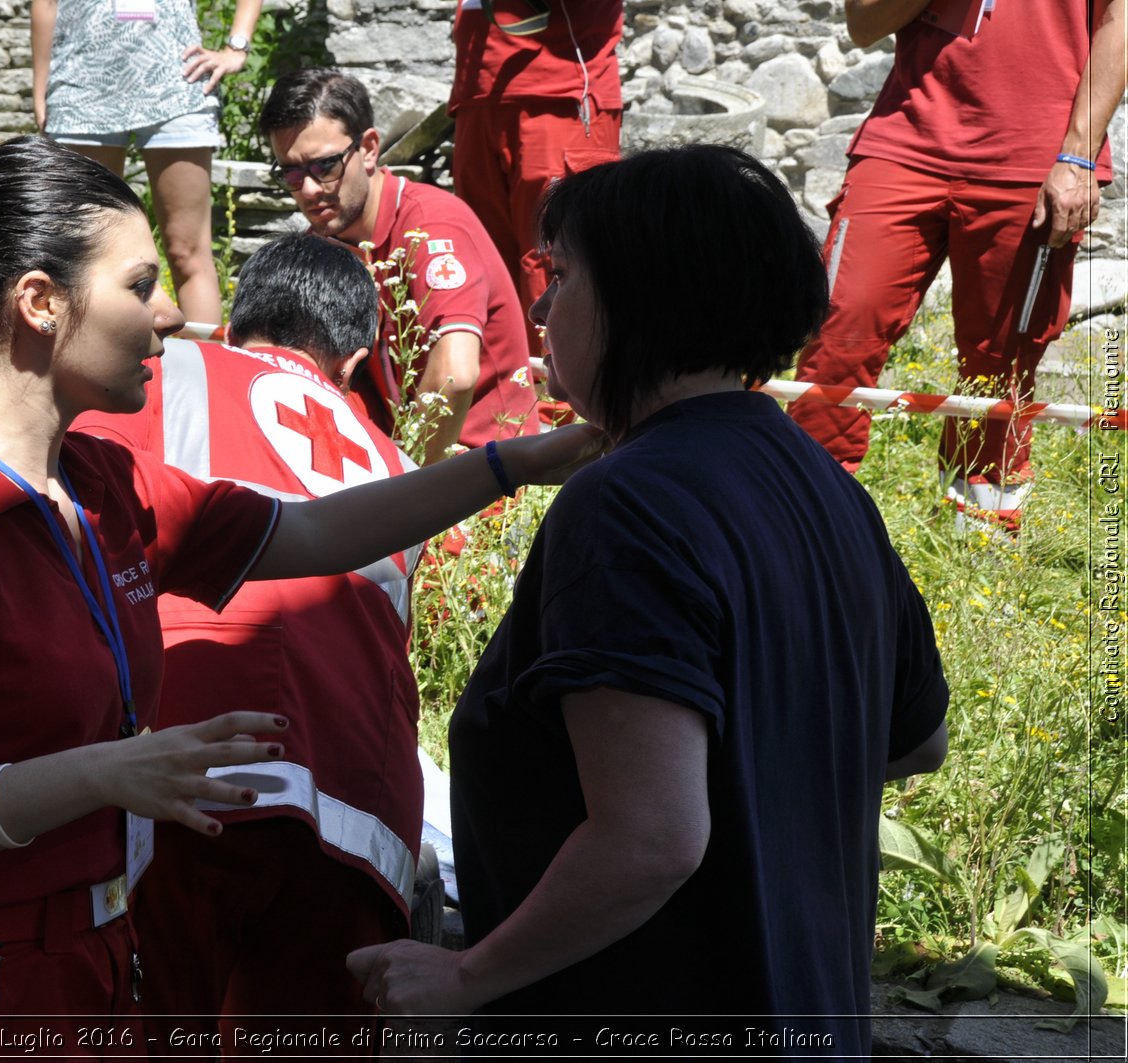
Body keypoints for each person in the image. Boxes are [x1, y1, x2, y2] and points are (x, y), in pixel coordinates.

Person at [0, 134, 598, 1055]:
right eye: (139, 287)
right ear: (42, 305)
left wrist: (518, 462)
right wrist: (106, 773)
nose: (173, 313)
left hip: (84, 964)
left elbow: (317, 533)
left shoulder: (101, 482)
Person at [347, 147, 950, 1054]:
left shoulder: (628, 504)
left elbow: (654, 835)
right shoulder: (823, 486)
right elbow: (916, 737)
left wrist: (465, 975)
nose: (541, 308)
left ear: (642, 295)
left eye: (562, 276)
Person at [71, 233, 422, 1046]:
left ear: (235, 319)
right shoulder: (395, 463)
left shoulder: (167, 374)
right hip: (358, 805)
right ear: (354, 360)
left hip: (187, 762)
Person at [790, 0, 1126, 533]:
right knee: (839, 325)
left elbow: (1117, 20)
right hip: (905, 140)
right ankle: (800, 517)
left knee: (1001, 356)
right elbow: (862, 24)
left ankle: (980, 531)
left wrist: (1080, 154)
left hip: (1032, 156)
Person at [260, 69, 539, 465]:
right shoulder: (318, 243)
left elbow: (454, 376)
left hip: (483, 478)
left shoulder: (432, 227)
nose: (308, 189)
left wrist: (405, 496)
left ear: (369, 148)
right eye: (290, 172)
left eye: (325, 166)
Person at [31, 0, 261, 332]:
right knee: (81, 251)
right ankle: (89, 379)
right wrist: (41, 88)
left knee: (188, 252)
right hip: (81, 87)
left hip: (176, 83)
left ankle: (204, 375)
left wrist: (237, 46)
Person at [448, 0, 624, 361]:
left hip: (559, 93)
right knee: (482, 258)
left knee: (560, 254)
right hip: (479, 95)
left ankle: (562, 404)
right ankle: (507, 396)